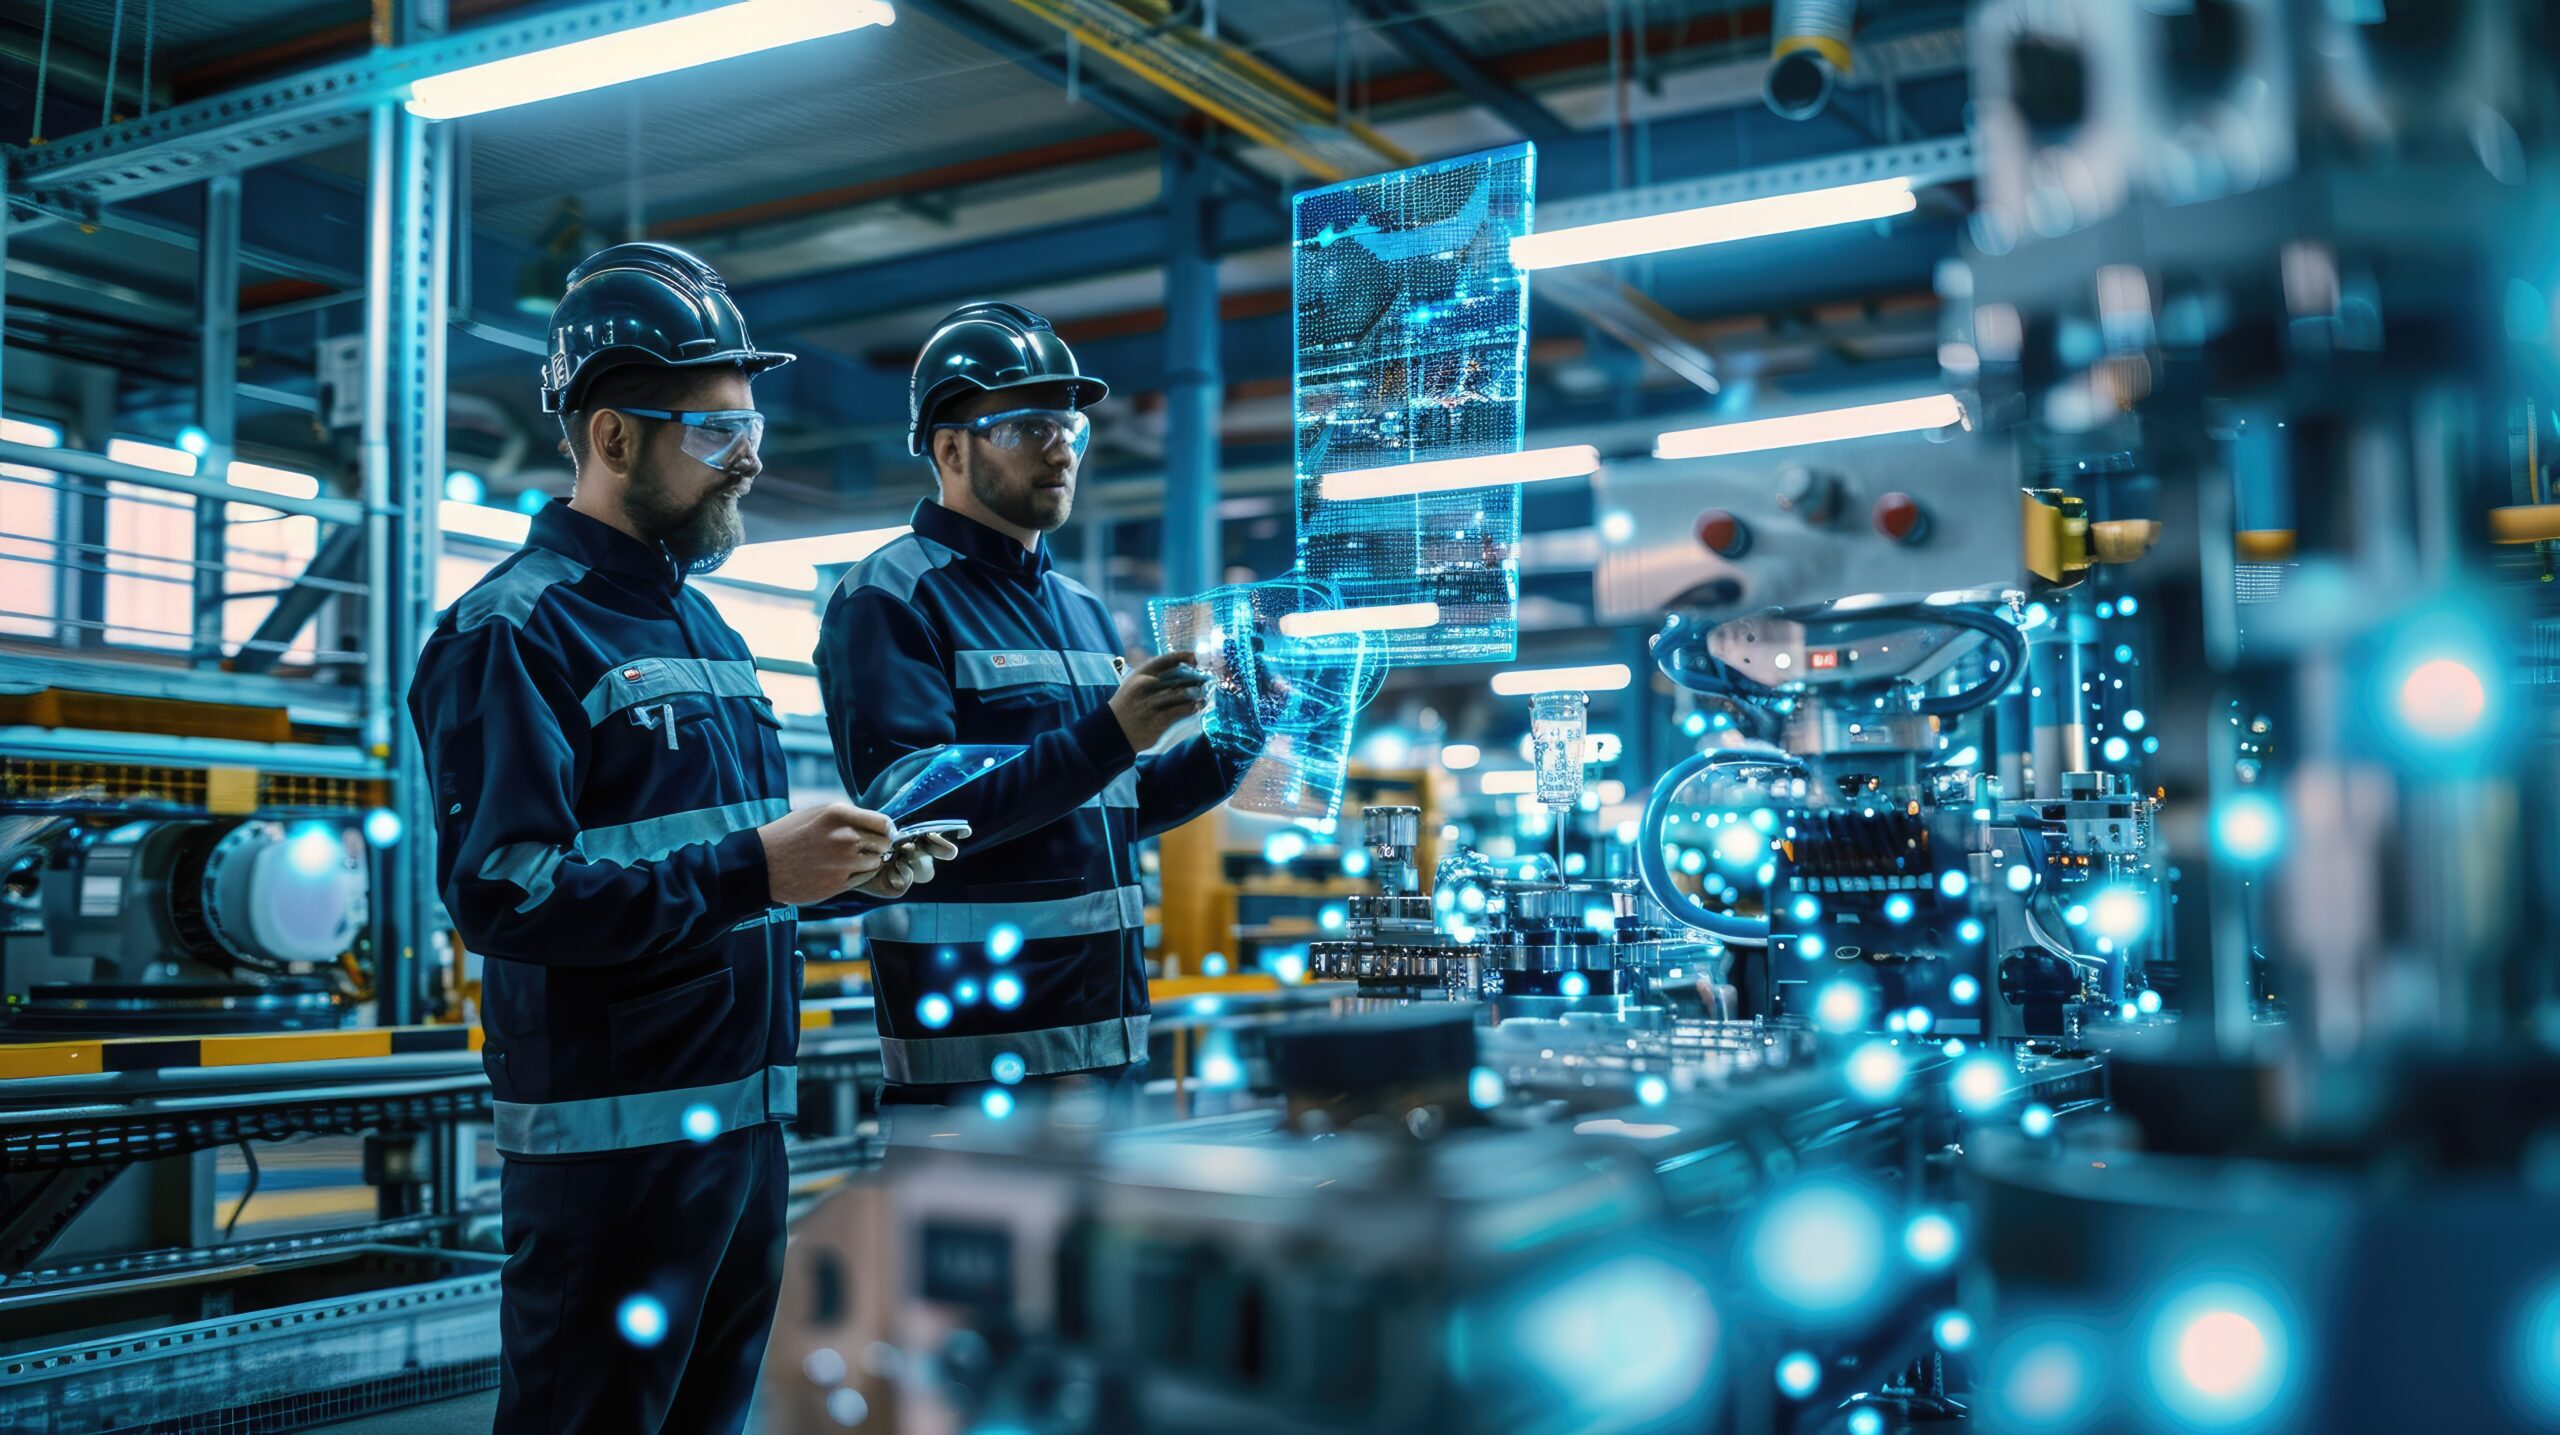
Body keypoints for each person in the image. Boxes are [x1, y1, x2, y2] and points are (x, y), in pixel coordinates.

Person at [408, 241, 958, 1435]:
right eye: (715, 430)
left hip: (743, 1131)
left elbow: (723, 865)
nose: (751, 453)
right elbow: (507, 895)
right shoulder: (514, 630)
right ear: (613, 437)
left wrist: (841, 873)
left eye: (748, 423)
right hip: (613, 1160)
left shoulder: (703, 625)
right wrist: (758, 865)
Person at [815, 301, 1253, 1115]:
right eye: (1027, 427)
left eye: (1070, 428)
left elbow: (1112, 803)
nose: (1062, 448)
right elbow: (918, 819)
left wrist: (1239, 739)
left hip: (1108, 1047)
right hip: (977, 1068)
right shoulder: (890, 598)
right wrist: (1107, 734)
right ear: (949, 448)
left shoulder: (1080, 607)